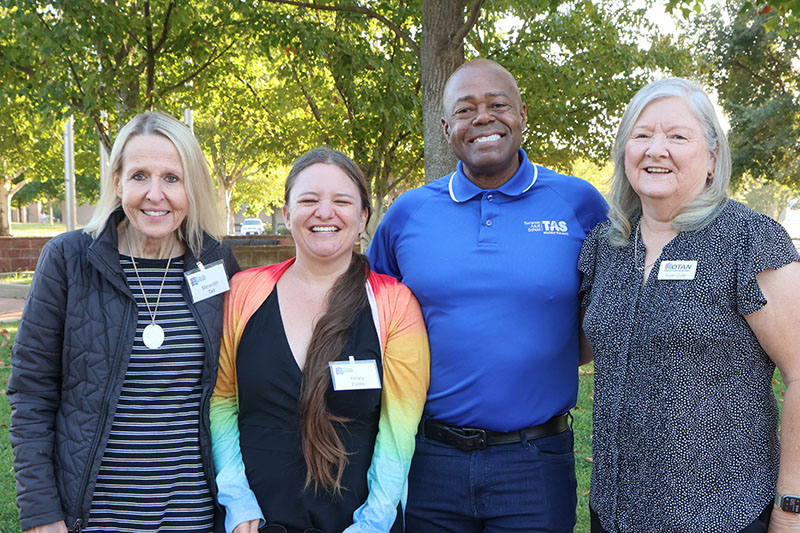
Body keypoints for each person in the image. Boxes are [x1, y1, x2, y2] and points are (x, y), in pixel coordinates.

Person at [368, 58, 608, 531]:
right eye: (466, 109)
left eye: (497, 104)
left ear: (522, 114)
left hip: (535, 459)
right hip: (428, 458)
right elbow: (373, 321)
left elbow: (605, 314)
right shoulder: (408, 214)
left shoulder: (579, 203)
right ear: (445, 127)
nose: (483, 117)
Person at [578, 78, 800, 532]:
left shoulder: (748, 238)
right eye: (642, 135)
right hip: (614, 513)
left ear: (713, 157)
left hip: (721, 513)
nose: (656, 149)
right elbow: (582, 347)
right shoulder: (607, 243)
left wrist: (791, 508)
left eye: (677, 136)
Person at [8, 111, 240, 533]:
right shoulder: (68, 260)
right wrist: (42, 514)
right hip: (94, 516)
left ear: (193, 185)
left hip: (192, 515)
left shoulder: (215, 261)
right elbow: (31, 394)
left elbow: (233, 390)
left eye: (172, 177)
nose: (156, 194)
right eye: (139, 176)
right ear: (117, 182)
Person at [210, 147, 430, 533]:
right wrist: (236, 499)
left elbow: (399, 432)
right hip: (254, 522)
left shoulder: (394, 304)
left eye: (341, 201)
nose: (324, 213)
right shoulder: (244, 293)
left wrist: (374, 522)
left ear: (363, 216)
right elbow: (222, 401)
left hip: (355, 523)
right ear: (286, 214)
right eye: (308, 200)